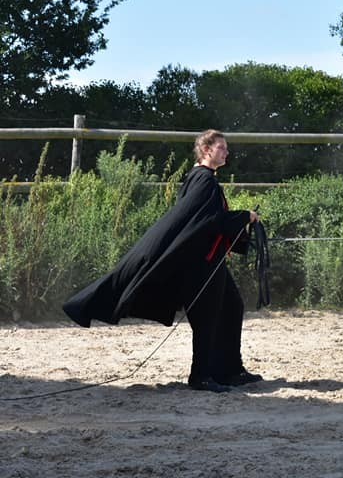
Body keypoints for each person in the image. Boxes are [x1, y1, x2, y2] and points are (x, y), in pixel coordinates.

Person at [63, 130, 263, 392]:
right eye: (221, 148)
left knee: (232, 307)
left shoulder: (203, 179)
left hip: (211, 262)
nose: (227, 152)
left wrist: (239, 219)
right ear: (206, 150)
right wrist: (244, 217)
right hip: (200, 264)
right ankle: (201, 376)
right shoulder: (204, 181)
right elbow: (207, 221)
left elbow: (205, 218)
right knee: (206, 317)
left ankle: (229, 370)